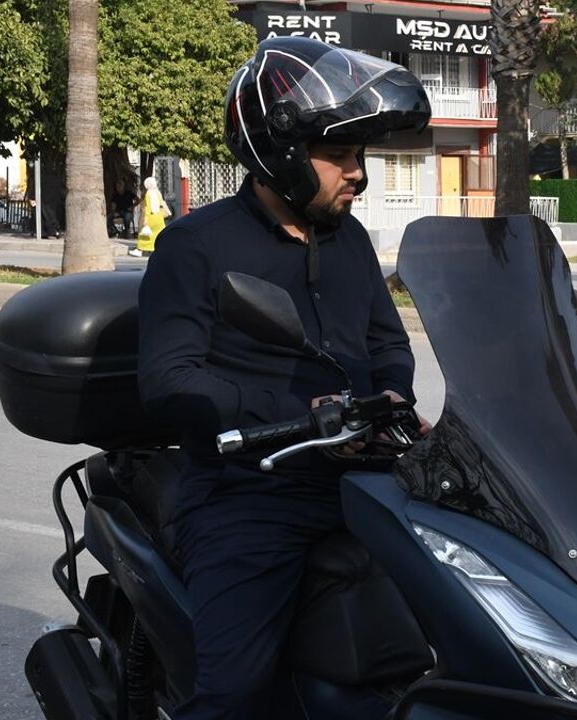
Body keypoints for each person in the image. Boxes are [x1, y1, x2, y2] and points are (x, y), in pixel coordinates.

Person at [136, 36, 431, 719]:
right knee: (236, 692)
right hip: (251, 490)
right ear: (283, 152)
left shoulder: (349, 240)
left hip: (364, 478)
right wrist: (294, 411)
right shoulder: (195, 245)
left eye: (360, 155)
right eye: (341, 154)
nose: (358, 174)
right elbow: (168, 379)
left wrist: (392, 394)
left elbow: (387, 343)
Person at [131, 176, 171, 257]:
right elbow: (161, 204)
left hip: (151, 217)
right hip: (159, 217)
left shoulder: (148, 194)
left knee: (145, 234)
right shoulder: (158, 193)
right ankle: (162, 248)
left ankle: (140, 249)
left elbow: (148, 208)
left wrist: (145, 219)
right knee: (159, 234)